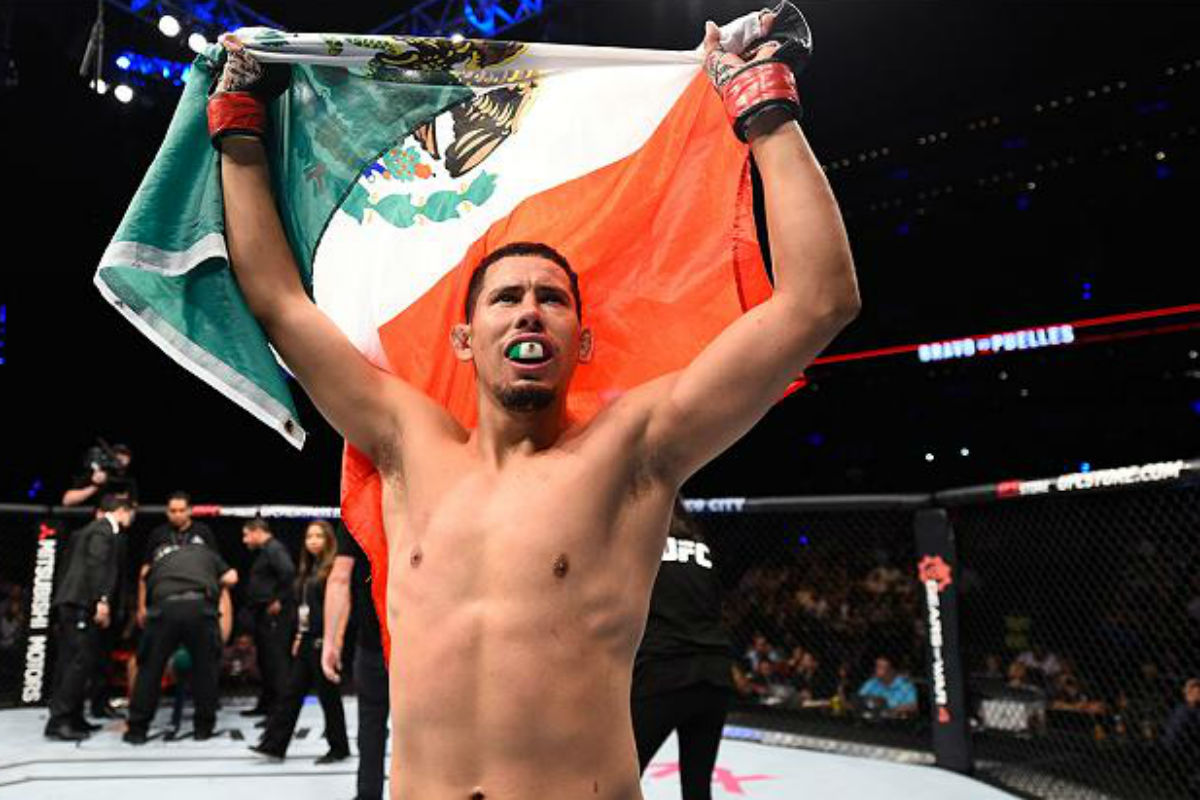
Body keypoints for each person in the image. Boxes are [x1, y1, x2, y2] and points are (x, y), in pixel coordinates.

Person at [214, 4, 859, 795]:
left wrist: (763, 110)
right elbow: (279, 301)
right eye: (506, 297)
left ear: (581, 342)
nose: (528, 310)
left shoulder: (634, 452)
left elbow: (818, 301)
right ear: (464, 338)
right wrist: (238, 126)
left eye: (552, 299)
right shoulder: (405, 443)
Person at [631, 500, 736, 800]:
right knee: (697, 788)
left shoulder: (641, 545)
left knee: (617, 778)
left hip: (665, 673)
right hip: (715, 675)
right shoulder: (701, 549)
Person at [124, 534, 237, 743]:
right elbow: (232, 577)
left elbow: (144, 575)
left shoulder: (160, 558)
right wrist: (213, 580)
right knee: (206, 669)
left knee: (149, 669)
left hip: (164, 606)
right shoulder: (207, 554)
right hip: (199, 605)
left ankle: (137, 729)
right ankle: (203, 728)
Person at [252, 520, 349, 762]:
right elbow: (305, 608)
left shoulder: (332, 570)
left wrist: (336, 640)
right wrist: (298, 635)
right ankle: (274, 745)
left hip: (323, 641)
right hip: (307, 639)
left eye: (319, 536)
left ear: (329, 540)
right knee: (290, 693)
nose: (313, 540)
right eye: (309, 536)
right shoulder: (309, 570)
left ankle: (339, 748)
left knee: (329, 697)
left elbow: (344, 605)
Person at [45, 494, 135, 740]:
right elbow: (98, 565)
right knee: (77, 662)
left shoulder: (91, 531)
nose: (132, 518)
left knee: (75, 661)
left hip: (75, 604)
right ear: (121, 510)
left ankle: (73, 717)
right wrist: (101, 600)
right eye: (130, 512)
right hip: (81, 604)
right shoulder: (103, 530)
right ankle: (59, 720)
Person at [323, 521, 390, 800]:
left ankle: (367, 795)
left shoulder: (360, 509)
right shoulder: (429, 498)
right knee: (426, 730)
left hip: (375, 640)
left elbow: (340, 578)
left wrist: (330, 641)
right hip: (417, 639)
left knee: (371, 726)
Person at [240, 517, 296, 718]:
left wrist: (278, 600)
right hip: (263, 615)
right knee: (265, 661)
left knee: (276, 662)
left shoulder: (274, 549)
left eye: (246, 535)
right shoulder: (266, 551)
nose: (245, 540)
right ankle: (267, 705)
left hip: (275, 616)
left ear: (257, 531)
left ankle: (280, 712)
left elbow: (289, 572)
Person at [137, 491, 217, 628]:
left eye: (181, 510)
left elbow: (215, 568)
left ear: (190, 511)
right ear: (167, 512)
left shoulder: (203, 532)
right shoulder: (158, 534)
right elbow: (144, 573)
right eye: (173, 511)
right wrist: (141, 606)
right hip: (164, 600)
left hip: (198, 599)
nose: (177, 514)